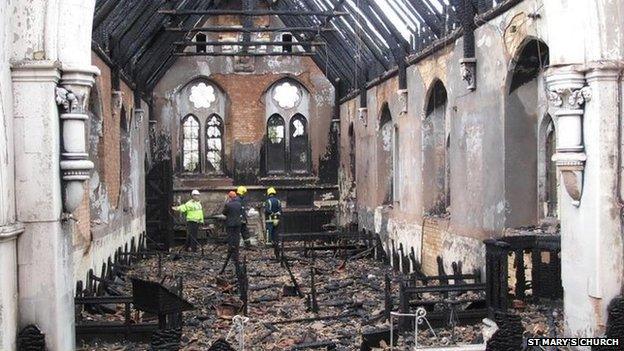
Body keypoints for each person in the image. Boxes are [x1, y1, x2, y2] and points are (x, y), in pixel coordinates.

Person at [220, 191, 244, 276]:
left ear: (230, 197)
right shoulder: (239, 204)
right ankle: (236, 251)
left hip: (230, 224)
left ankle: (231, 250)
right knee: (237, 237)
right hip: (238, 224)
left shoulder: (228, 204)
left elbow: (224, 213)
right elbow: (241, 212)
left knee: (230, 237)